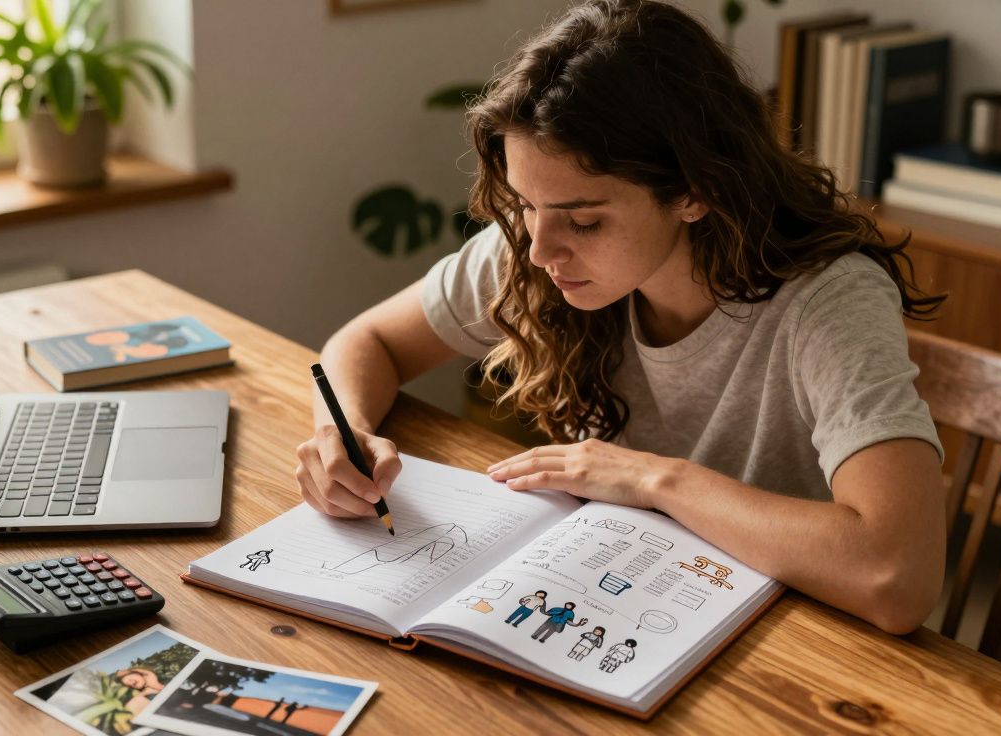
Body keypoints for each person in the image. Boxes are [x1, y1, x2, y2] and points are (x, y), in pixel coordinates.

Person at [294, 0, 945, 635]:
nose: (541, 249)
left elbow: (897, 574)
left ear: (696, 190)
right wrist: (342, 435)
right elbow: (369, 340)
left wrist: (655, 480)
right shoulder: (538, 245)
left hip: (791, 643)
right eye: (524, 204)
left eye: (584, 220)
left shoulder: (828, 305)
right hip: (622, 601)